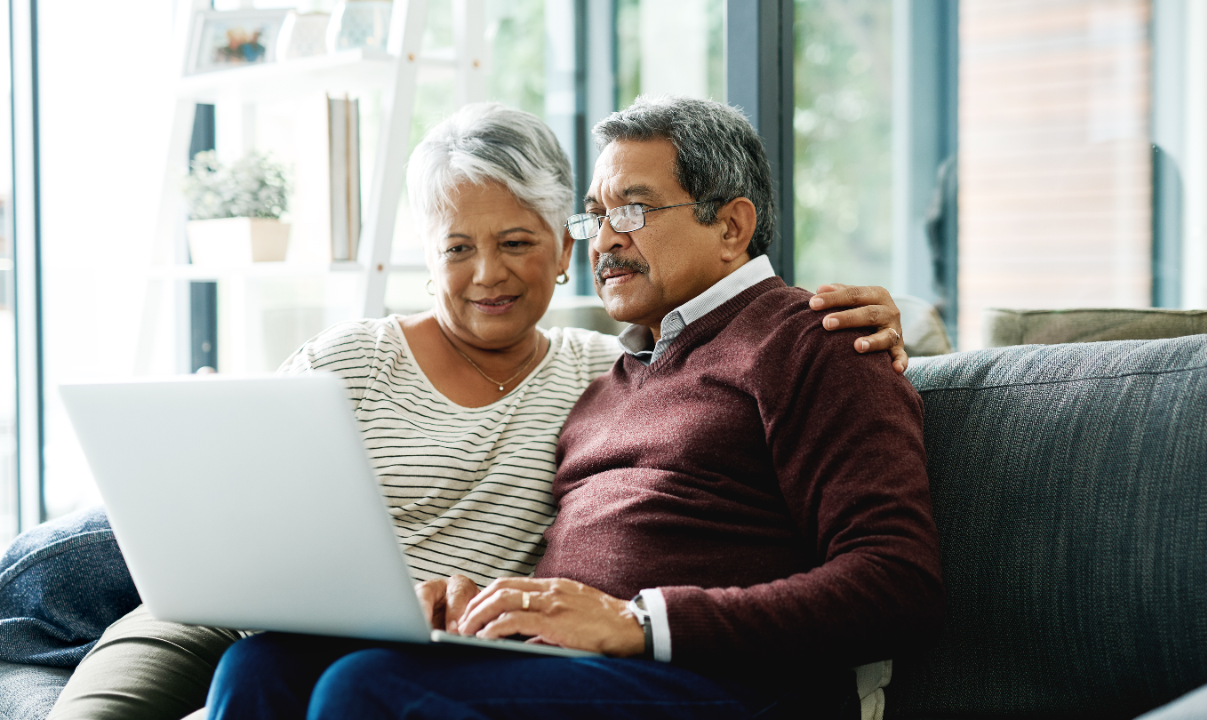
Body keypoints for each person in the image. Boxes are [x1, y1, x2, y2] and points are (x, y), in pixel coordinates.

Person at [37, 101, 907, 720]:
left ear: (733, 225)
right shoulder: (618, 371)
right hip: (549, 658)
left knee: (366, 691)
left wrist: (638, 622)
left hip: (722, 680)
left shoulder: (816, 339)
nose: (606, 239)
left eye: (633, 210)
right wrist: (474, 607)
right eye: (597, 215)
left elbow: (897, 582)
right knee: (261, 666)